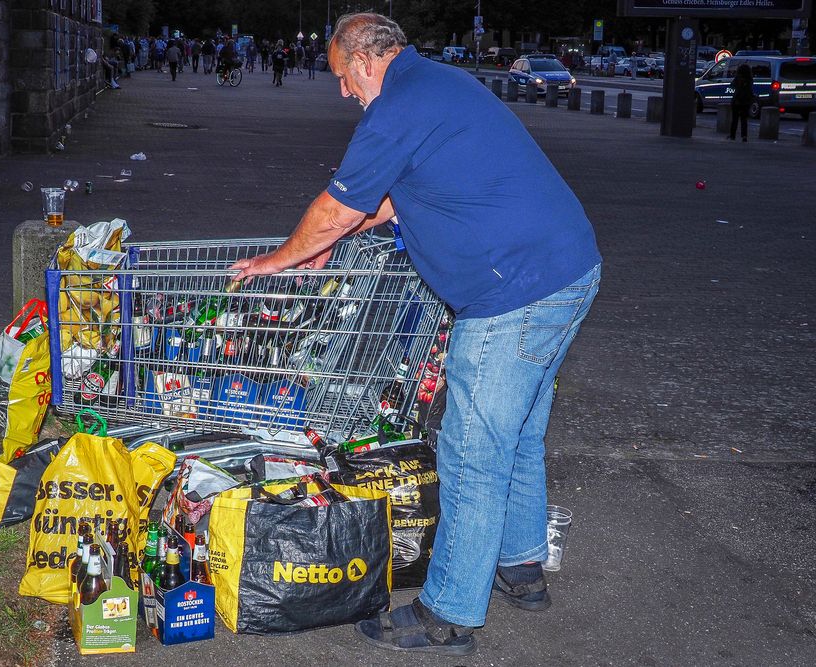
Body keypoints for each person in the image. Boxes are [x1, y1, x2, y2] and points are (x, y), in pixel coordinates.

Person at [230, 13, 601, 656]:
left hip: (511, 292)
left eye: (343, 76)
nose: (343, 92)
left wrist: (282, 257)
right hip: (566, 270)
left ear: (367, 61)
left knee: (472, 453)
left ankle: (451, 613)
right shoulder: (436, 86)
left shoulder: (398, 105)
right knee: (517, 435)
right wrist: (336, 238)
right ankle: (520, 566)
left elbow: (336, 204)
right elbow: (396, 198)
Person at [729, 63, 753, 142]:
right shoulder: (749, 79)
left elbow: (732, 85)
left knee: (734, 119)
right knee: (744, 119)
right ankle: (744, 136)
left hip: (737, 100)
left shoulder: (738, 78)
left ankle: (732, 135)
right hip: (746, 101)